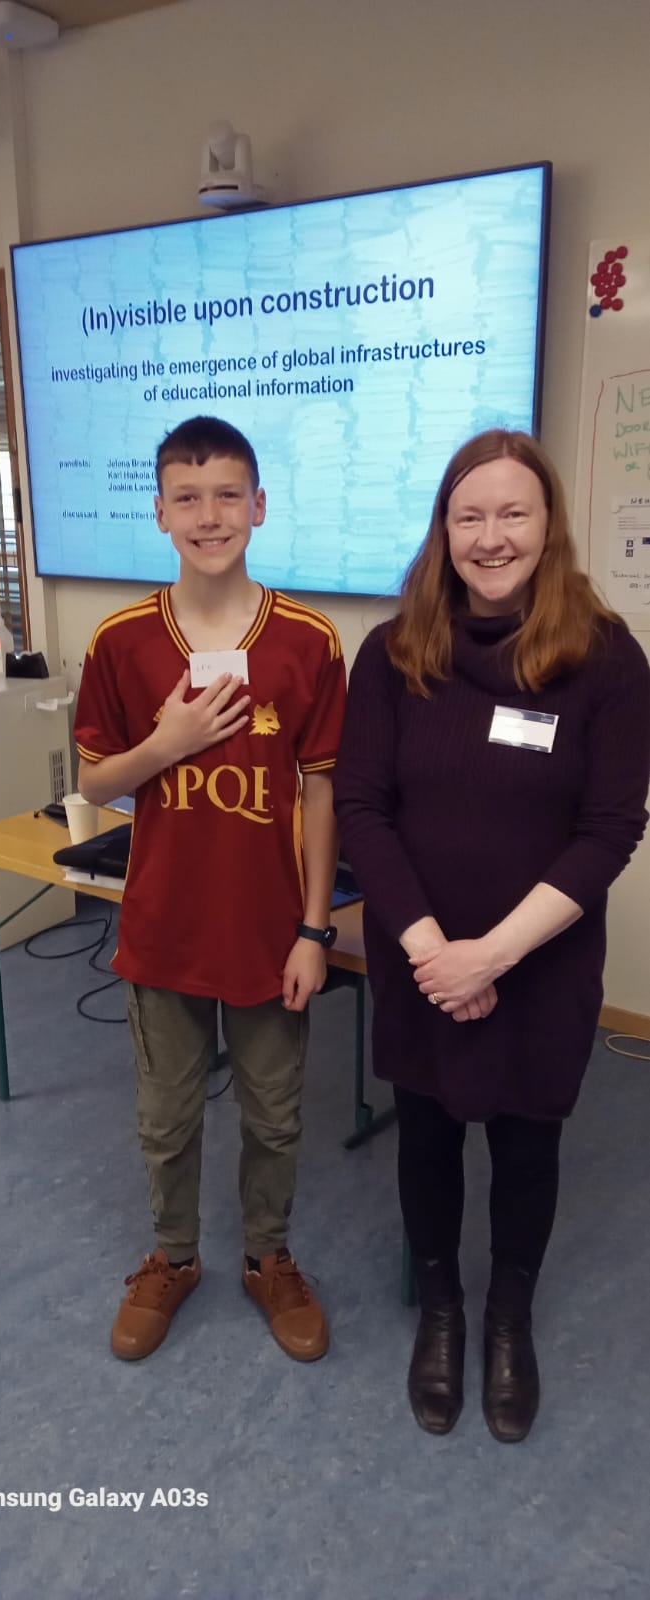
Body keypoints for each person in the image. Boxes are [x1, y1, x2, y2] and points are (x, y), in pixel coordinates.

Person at [333, 428, 650, 1442]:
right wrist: (435, 953)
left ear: (548, 523)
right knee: (424, 1133)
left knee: (525, 1143)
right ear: (443, 530)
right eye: (468, 515)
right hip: (418, 954)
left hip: (540, 965)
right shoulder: (392, 653)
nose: (490, 535)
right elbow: (361, 807)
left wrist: (491, 956)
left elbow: (610, 829)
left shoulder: (606, 658)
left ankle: (508, 1313)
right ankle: (441, 1307)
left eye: (512, 512)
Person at [74, 415, 346, 1364]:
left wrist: (315, 928)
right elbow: (94, 781)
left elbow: (321, 792)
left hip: (270, 931)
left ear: (258, 506)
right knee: (166, 1116)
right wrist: (167, 744)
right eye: (186, 497)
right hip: (164, 927)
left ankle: (268, 1257)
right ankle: (175, 1256)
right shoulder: (122, 640)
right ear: (159, 512)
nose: (209, 515)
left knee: (275, 1113)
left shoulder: (308, 641)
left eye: (227, 494)